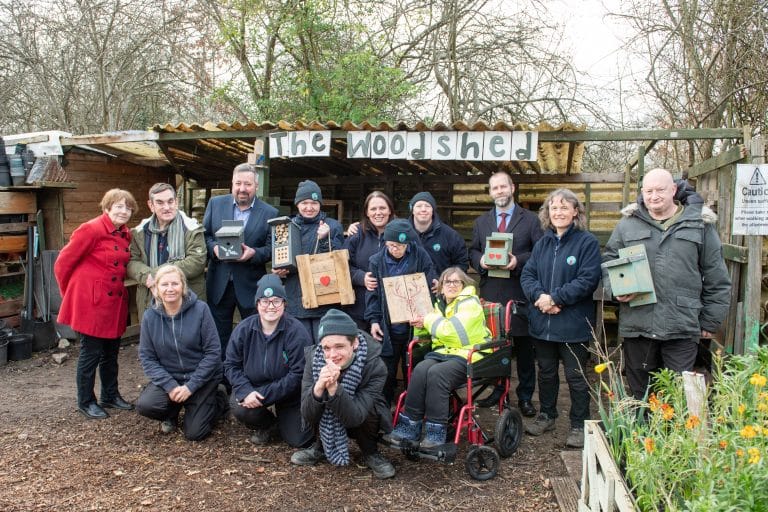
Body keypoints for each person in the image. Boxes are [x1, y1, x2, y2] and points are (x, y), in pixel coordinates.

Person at [603, 168, 730, 400]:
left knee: (678, 393)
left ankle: (675, 435)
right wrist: (615, 290)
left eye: (660, 190)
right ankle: (643, 435)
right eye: (648, 191)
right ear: (641, 193)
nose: (654, 196)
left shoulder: (699, 225)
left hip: (681, 325)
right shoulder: (627, 225)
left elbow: (717, 276)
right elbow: (609, 263)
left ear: (674, 189)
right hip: (638, 323)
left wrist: (710, 320)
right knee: (640, 393)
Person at [520, 189, 602, 448]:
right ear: (547, 213)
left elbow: (588, 280)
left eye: (565, 208)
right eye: (554, 208)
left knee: (576, 376)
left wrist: (556, 299)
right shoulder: (543, 243)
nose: (559, 212)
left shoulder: (587, 242)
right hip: (542, 323)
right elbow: (527, 276)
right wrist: (542, 300)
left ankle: (579, 424)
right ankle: (547, 415)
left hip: (573, 323)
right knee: (545, 372)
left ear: (576, 211)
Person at [54, 188, 138, 420]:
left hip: (114, 303)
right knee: (90, 353)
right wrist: (71, 295)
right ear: (107, 207)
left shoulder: (125, 234)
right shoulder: (90, 229)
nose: (123, 211)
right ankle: (86, 401)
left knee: (110, 353)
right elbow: (62, 264)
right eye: (119, 206)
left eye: (128, 207)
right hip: (91, 302)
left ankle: (110, 395)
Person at [385, 267, 490, 448]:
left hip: (470, 355)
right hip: (445, 353)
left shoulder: (469, 303)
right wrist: (419, 324)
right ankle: (409, 428)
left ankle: (436, 433)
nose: (451, 285)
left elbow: (451, 332)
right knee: (420, 370)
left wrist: (427, 319)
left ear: (464, 284)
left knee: (437, 374)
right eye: (447, 282)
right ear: (440, 286)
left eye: (456, 281)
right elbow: (431, 331)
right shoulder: (439, 305)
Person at [469, 171, 543, 417]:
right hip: (491, 291)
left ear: (512, 188)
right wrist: (481, 261)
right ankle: (498, 390)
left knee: (523, 348)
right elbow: (473, 251)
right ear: (490, 192)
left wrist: (517, 261)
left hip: (520, 291)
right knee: (494, 346)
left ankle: (524, 397)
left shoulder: (531, 220)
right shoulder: (481, 222)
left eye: (503, 187)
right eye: (495, 188)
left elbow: (540, 251)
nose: (499, 191)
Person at [290, 309, 395, 479]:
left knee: (370, 409)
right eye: (326, 348)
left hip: (361, 418)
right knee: (315, 397)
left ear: (354, 344)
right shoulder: (314, 359)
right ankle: (320, 447)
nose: (332, 355)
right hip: (332, 413)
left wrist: (334, 389)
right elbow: (307, 414)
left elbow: (355, 417)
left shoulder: (375, 366)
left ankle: (370, 452)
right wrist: (318, 388)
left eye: (339, 346)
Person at [136, 265, 227, 440]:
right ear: (156, 288)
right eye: (164, 284)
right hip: (171, 378)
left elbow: (213, 353)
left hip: (201, 379)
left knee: (195, 434)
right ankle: (172, 412)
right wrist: (170, 386)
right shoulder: (150, 316)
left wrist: (191, 386)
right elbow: (147, 358)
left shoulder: (201, 310)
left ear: (183, 286)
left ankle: (217, 400)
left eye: (175, 284)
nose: (170, 289)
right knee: (146, 405)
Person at [224, 274, 313, 447]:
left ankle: (286, 420)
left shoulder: (296, 332)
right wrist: (245, 390)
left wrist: (264, 395)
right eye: (264, 301)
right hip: (253, 387)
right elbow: (230, 365)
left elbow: (298, 374)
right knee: (241, 408)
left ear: (284, 304)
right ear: (257, 304)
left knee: (300, 440)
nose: (270, 306)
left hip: (289, 393)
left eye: (276, 301)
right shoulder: (244, 329)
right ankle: (268, 424)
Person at [204, 163, 277, 354]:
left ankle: (249, 376)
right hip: (219, 281)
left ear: (256, 186)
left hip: (250, 284)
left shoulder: (270, 213)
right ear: (232, 183)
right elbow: (204, 236)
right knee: (219, 336)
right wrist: (215, 249)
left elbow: (271, 248)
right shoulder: (215, 204)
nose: (242, 189)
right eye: (238, 183)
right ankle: (221, 379)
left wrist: (254, 254)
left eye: (247, 184)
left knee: (252, 334)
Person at [365, 218, 437, 404]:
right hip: (387, 326)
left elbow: (430, 281)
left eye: (398, 246)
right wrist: (374, 321)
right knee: (386, 370)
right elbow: (372, 295)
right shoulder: (376, 261)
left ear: (407, 244)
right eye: (390, 245)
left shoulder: (420, 256)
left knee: (413, 368)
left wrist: (434, 283)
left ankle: (413, 409)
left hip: (415, 325)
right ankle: (385, 409)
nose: (394, 249)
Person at [272, 180, 344, 342]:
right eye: (304, 203)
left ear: (320, 204)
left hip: (325, 300)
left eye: (314, 203)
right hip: (295, 299)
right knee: (301, 349)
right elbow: (279, 258)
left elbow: (338, 263)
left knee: (324, 347)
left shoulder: (332, 226)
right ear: (297, 204)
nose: (309, 207)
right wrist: (279, 271)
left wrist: (325, 239)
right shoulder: (286, 227)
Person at [128, 182, 206, 315]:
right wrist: (147, 276)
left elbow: (196, 262)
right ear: (151, 205)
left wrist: (157, 275)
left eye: (170, 201)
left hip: (186, 300)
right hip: (150, 299)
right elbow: (131, 260)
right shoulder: (140, 231)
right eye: (160, 202)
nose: (167, 207)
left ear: (176, 202)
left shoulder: (192, 229)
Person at [343, 191, 396, 331]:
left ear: (390, 210)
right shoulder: (356, 235)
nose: (378, 212)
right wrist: (360, 277)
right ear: (367, 212)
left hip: (392, 308)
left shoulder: (401, 233)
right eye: (373, 209)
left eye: (382, 208)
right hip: (359, 308)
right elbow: (341, 266)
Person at [408, 191, 469, 279]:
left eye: (428, 206)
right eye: (419, 206)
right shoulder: (401, 233)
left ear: (433, 210)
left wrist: (444, 282)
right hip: (408, 289)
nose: (423, 209)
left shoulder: (451, 236)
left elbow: (462, 264)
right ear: (412, 210)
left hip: (440, 290)